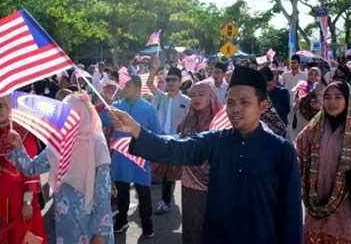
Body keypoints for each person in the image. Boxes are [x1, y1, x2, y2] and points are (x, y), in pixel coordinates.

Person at [109, 67, 303, 243]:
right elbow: (175, 149)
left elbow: (291, 215)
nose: (235, 109)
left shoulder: (281, 151)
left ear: (263, 106)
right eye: (230, 102)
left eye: (244, 102)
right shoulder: (216, 141)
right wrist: (135, 129)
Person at [6, 93, 114, 244]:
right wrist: (18, 147)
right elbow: (31, 168)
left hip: (91, 225)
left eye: (70, 115)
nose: (65, 120)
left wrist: (100, 234)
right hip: (66, 223)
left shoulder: (97, 145)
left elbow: (103, 194)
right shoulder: (58, 143)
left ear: (83, 115)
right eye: (63, 115)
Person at [295, 81, 351, 242]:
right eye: (328, 97)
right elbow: (297, 158)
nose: (332, 102)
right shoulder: (312, 130)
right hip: (316, 214)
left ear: (349, 100)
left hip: (350, 216)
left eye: (338, 97)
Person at [0, 96, 46, 243]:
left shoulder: (23, 133)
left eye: (1, 106)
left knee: (20, 237)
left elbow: (31, 170)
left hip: (19, 198)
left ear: (11, 108)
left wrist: (27, 203)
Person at [101, 75, 161, 238]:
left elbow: (156, 133)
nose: (123, 88)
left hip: (141, 157)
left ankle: (147, 224)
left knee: (143, 192)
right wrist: (104, 107)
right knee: (122, 191)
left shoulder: (149, 109)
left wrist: (155, 156)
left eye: (127, 85)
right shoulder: (115, 106)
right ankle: (122, 219)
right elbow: (102, 124)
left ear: (137, 87)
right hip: (121, 155)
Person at [177, 82, 222, 244]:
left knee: (213, 228)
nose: (196, 98)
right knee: (192, 226)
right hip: (190, 184)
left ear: (211, 97)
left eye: (201, 94)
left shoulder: (221, 122)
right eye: (193, 95)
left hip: (216, 185)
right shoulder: (188, 119)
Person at [147, 59, 190, 215]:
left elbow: (189, 121)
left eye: (174, 80)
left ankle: (166, 201)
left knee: (171, 172)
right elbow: (150, 84)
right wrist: (154, 68)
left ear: (180, 82)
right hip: (162, 138)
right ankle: (167, 199)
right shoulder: (162, 96)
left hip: (178, 141)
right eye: (168, 79)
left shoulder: (187, 101)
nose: (170, 82)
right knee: (164, 171)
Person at [292, 67, 325, 139]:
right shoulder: (303, 88)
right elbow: (295, 107)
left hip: (318, 121)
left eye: (316, 74)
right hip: (303, 121)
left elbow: (328, 108)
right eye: (311, 74)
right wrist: (297, 102)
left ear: (320, 76)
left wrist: (319, 107)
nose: (313, 76)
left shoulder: (324, 89)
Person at [282, 54, 308, 139]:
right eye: (291, 63)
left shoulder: (304, 76)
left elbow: (305, 90)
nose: (293, 64)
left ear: (299, 63)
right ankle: (290, 142)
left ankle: (299, 141)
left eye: (294, 62)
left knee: (299, 123)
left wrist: (299, 101)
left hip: (299, 103)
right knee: (288, 123)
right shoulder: (285, 75)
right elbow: (282, 87)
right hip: (287, 102)